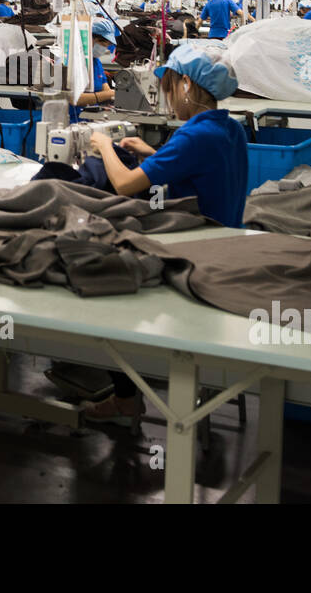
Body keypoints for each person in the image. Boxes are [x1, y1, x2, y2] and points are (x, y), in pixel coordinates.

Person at [82, 45, 248, 424]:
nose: (167, 98)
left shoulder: (194, 137)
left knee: (102, 288)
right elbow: (195, 169)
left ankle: (126, 397)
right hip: (226, 245)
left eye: (169, 88)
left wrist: (104, 146)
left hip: (195, 259)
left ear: (186, 84)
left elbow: (123, 184)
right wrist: (151, 153)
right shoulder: (227, 127)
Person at [69, 16, 118, 119]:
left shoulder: (95, 61)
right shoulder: (71, 61)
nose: (104, 48)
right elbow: (74, 98)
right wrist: (110, 94)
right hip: (72, 119)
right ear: (89, 38)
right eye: (102, 43)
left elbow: (106, 91)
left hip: (92, 117)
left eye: (107, 45)